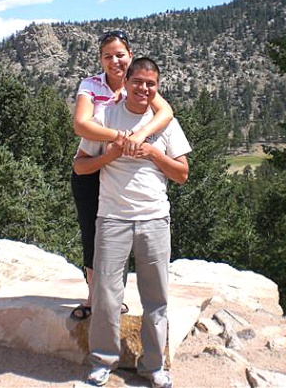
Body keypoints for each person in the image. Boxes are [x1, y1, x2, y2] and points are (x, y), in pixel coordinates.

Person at [74, 57, 190, 388]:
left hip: (155, 220)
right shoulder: (105, 117)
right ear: (126, 82)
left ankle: (154, 366)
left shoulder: (165, 123)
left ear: (157, 88)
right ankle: (101, 362)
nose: (143, 88)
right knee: (107, 294)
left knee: (157, 297)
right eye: (137, 81)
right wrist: (109, 155)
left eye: (150, 84)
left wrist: (154, 153)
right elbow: (80, 166)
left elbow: (182, 174)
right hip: (112, 219)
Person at [70, 30, 173, 321]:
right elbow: (81, 124)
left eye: (120, 54)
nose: (114, 60)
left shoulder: (137, 84)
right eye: (107, 56)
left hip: (126, 169)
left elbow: (166, 113)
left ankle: (115, 295)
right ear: (101, 60)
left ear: (129, 54)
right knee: (93, 232)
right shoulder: (90, 85)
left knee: (125, 230)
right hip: (93, 165)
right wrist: (120, 137)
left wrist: (139, 136)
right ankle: (95, 297)